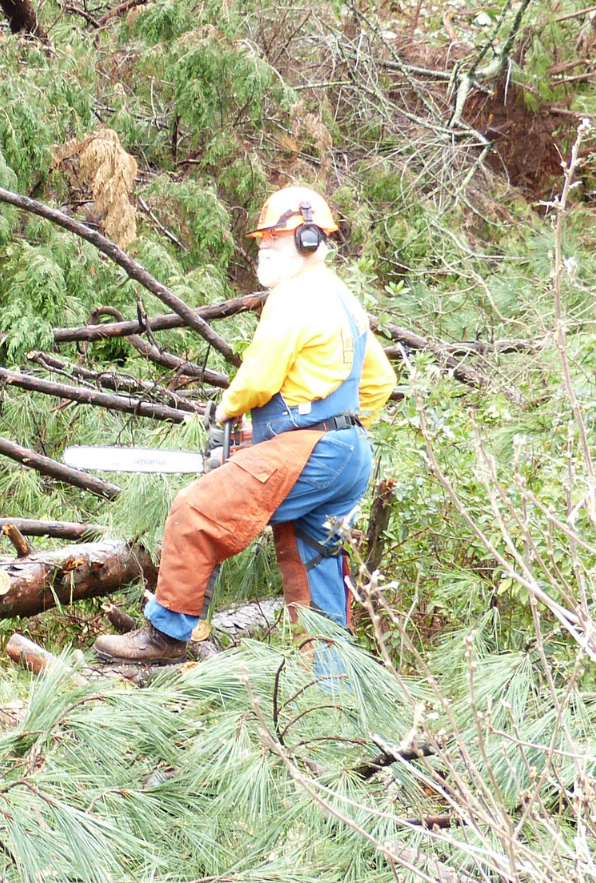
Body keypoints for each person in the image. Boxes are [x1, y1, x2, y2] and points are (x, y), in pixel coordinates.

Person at [94, 187, 396, 663]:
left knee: (196, 512)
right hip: (350, 451)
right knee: (313, 567)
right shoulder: (343, 298)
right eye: (263, 238)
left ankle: (167, 637)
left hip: (311, 451)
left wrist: (226, 414)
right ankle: (334, 685)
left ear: (308, 238)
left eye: (274, 237)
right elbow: (380, 379)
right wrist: (339, 425)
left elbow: (259, 374)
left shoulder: (294, 295)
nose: (263, 246)